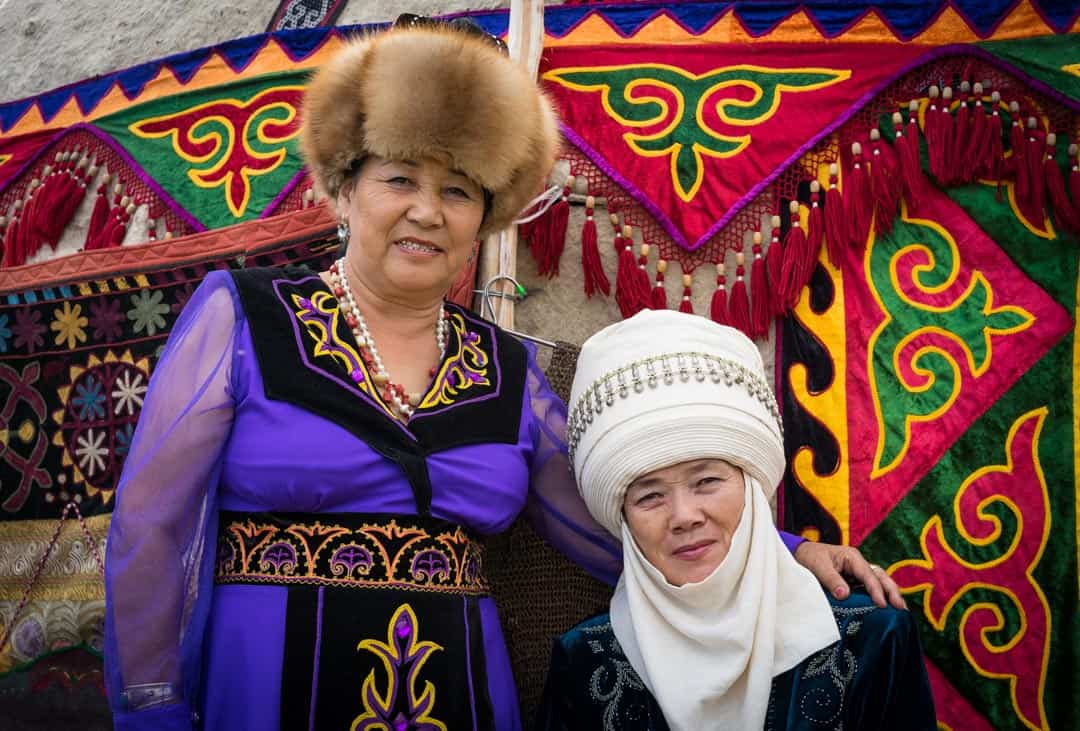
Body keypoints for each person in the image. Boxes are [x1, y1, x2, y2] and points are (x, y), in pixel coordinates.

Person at [104, 17, 906, 731]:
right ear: (343, 191)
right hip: (266, 682)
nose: (427, 210)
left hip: (457, 688)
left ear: (480, 222)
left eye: (457, 191)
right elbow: (153, 523)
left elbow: (615, 521)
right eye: (399, 179)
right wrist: (152, 707)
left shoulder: (508, 371)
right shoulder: (243, 314)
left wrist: (784, 547)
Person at [535, 310, 936, 730]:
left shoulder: (871, 642)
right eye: (650, 496)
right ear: (623, 517)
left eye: (707, 481)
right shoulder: (584, 660)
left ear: (750, 487)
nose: (684, 516)